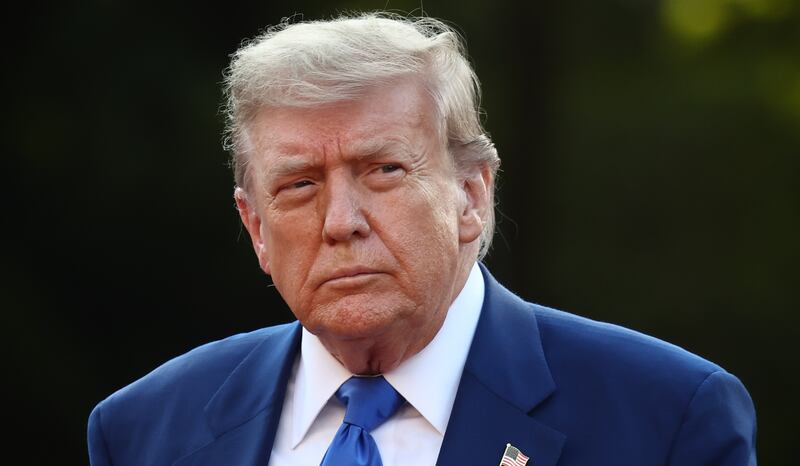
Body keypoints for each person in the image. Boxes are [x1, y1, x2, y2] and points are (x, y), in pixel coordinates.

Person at [87, 12, 757, 466]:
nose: (340, 220)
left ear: (472, 195)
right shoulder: (146, 430)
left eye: (382, 171)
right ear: (256, 229)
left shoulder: (665, 420)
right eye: (298, 185)